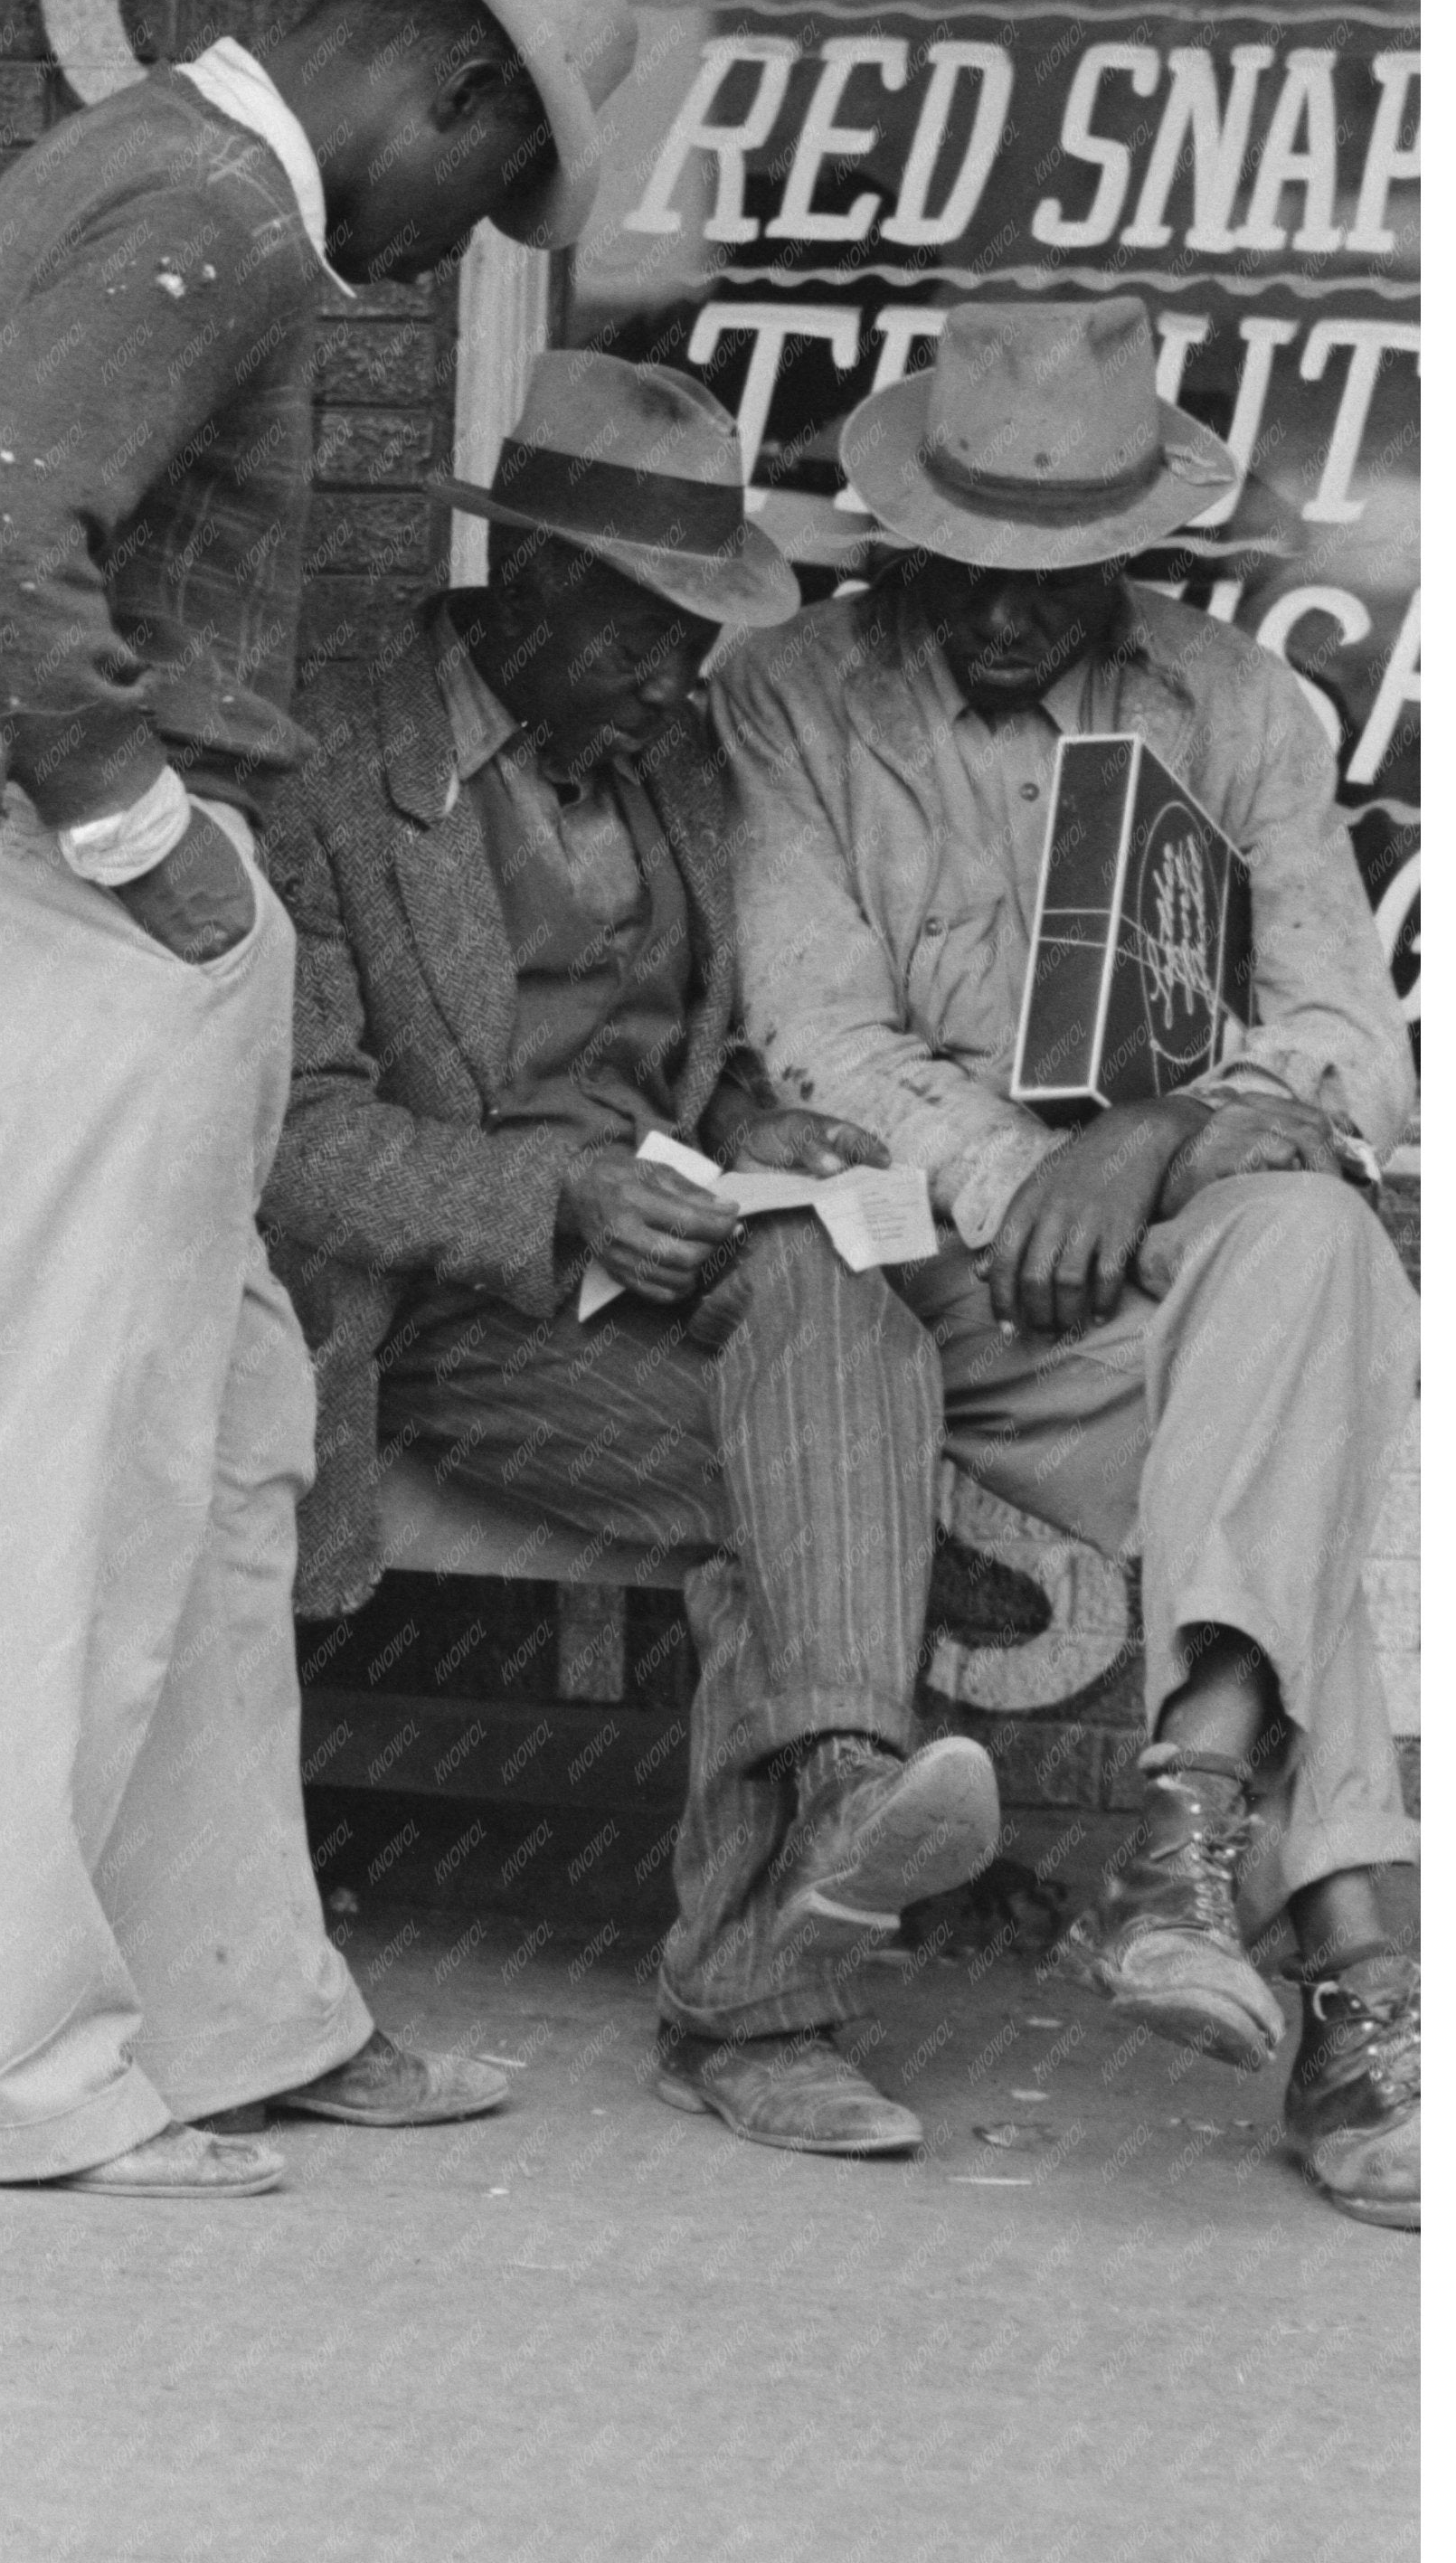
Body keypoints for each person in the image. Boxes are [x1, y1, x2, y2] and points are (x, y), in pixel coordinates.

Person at [0, 0, 638, 2198]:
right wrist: (144, 836)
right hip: (67, 890)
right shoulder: (229, 218)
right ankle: (2, 2075)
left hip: (2, 860)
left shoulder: (118, 157)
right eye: (492, 196)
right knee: (81, 1484)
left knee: (232, 1440)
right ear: (456, 90)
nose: (457, 252)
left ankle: (228, 2008)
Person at [714, 295, 1421, 2231]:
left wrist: (1154, 1137)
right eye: (965, 561)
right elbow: (815, 1034)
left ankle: (1188, 1819)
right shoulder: (790, 693)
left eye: (1059, 571)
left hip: (1168, 1286)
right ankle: (1349, 1986)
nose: (1005, 608)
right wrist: (1032, 1181)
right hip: (929, 1294)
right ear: (902, 527)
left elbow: (1355, 1043)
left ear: (1138, 548)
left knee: (1311, 1240)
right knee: (1307, 1415)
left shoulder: (1237, 705)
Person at [260, 351, 1011, 2162]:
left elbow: (691, 1051)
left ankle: (838, 1787)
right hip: (441, 1304)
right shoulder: (327, 767)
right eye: (647, 634)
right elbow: (294, 1136)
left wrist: (763, 1132)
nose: (681, 678)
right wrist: (561, 1198)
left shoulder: (665, 755)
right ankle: (760, 2001)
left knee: (828, 1323)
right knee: (816, 1477)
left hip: (668, 1251)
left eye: (695, 638)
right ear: (527, 585)